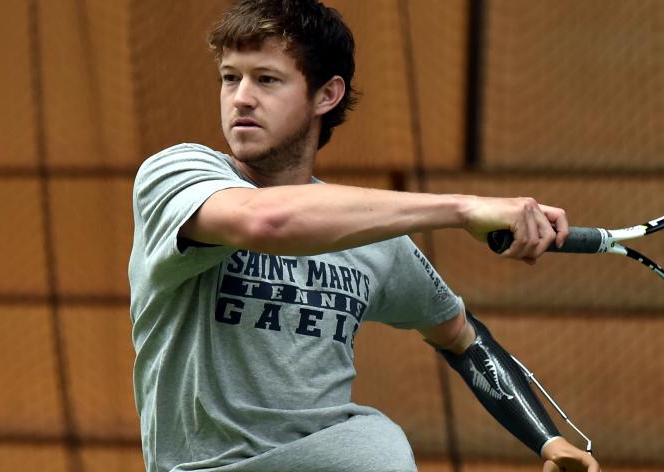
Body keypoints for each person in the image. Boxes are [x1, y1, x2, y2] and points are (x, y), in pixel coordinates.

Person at [128, 1, 600, 471]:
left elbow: (462, 337)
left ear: (326, 95)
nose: (241, 98)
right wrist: (461, 208)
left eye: (266, 79)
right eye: (231, 78)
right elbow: (265, 222)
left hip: (340, 458)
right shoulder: (178, 176)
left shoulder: (370, 231)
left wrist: (548, 440)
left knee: (376, 440)